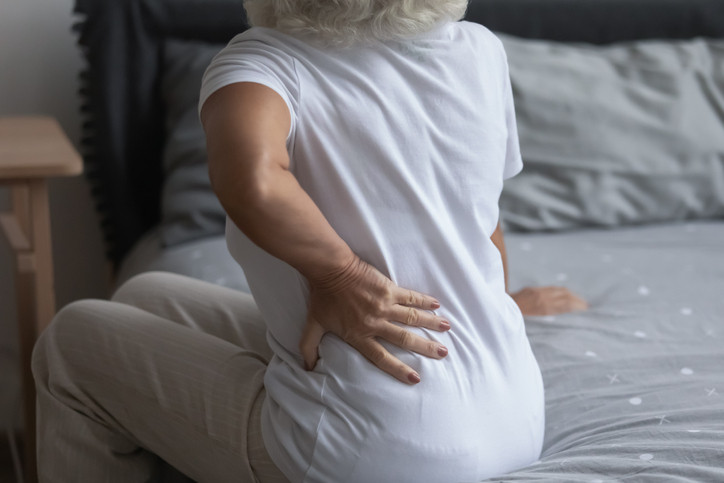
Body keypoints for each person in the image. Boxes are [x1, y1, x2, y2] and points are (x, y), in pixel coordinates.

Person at [32, 0, 588, 482]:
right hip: (515, 420)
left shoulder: (263, 61)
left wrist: (340, 276)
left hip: (369, 452)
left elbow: (253, 180)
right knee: (147, 295)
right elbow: (482, 216)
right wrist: (494, 301)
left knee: (71, 340)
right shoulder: (480, 50)